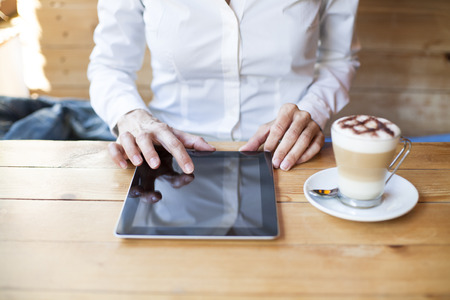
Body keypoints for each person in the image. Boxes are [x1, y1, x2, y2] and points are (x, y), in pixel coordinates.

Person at [88, 0, 360, 174]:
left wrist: (313, 110)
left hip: (288, 154)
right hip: (167, 155)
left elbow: (340, 59)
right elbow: (110, 66)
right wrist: (131, 117)